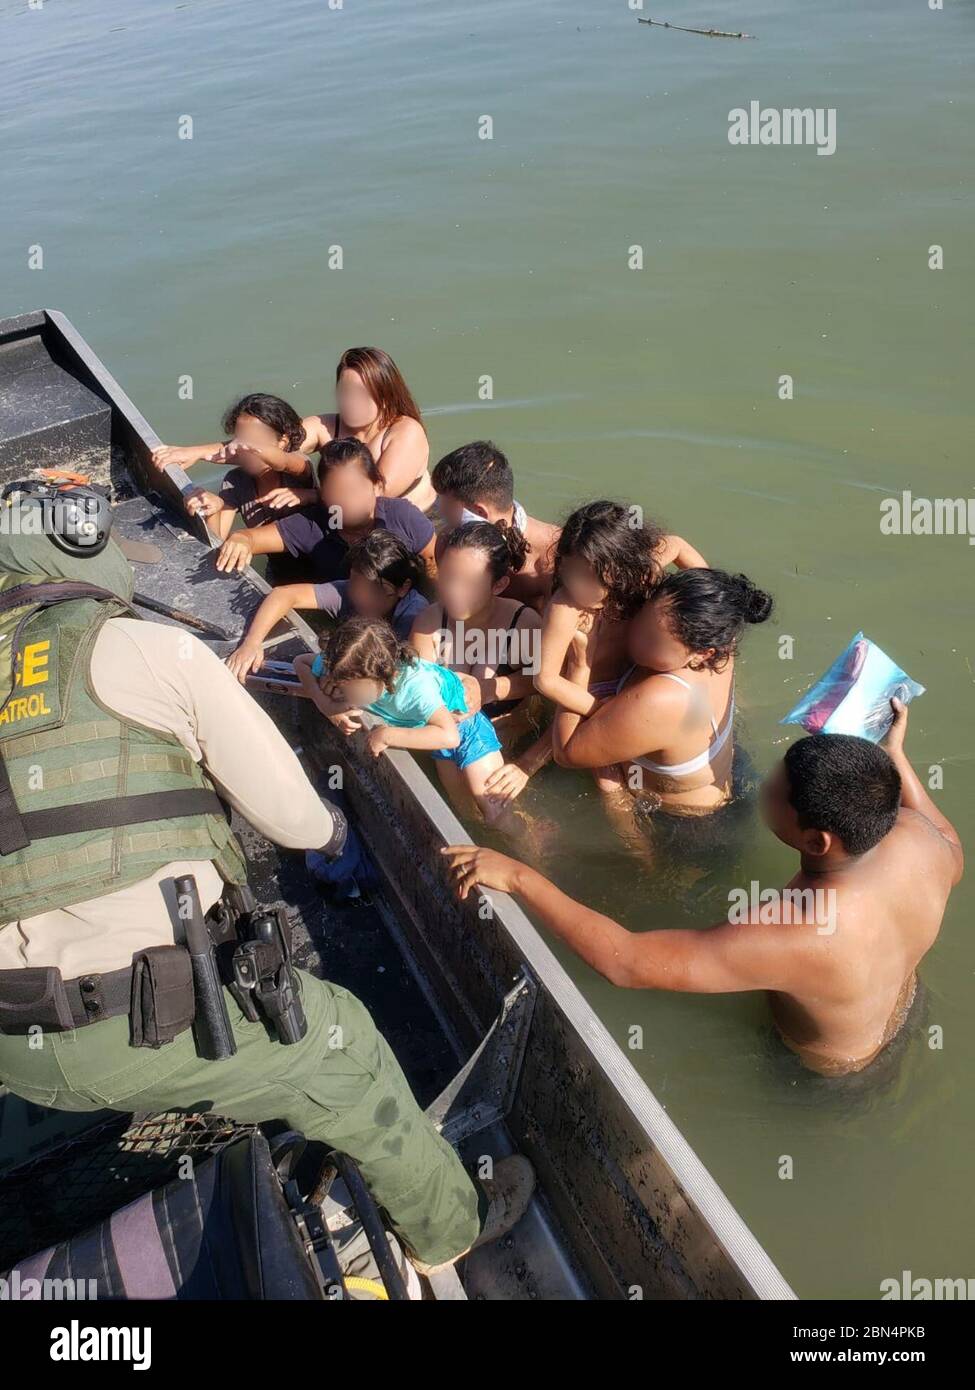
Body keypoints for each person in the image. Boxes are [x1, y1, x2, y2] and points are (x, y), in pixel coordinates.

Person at [0, 490, 531, 1277]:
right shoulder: (153, 650)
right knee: (342, 1046)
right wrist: (336, 833)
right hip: (130, 1014)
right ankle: (451, 1225)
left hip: (16, 1053)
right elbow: (293, 820)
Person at [442, 700, 964, 1077]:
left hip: (823, 1066)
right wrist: (894, 753)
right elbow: (945, 836)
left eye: (775, 792)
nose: (763, 790)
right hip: (902, 1011)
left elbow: (625, 962)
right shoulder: (925, 841)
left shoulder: (795, 930)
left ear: (816, 840)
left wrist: (516, 875)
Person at [552, 568, 773, 817]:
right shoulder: (724, 639)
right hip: (726, 770)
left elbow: (566, 753)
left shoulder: (664, 698)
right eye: (642, 621)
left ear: (702, 653)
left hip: (682, 823)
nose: (634, 639)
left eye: (652, 640)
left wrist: (579, 665)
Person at [535, 502, 706, 791]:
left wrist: (703, 604)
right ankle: (630, 835)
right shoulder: (566, 607)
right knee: (610, 786)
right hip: (589, 692)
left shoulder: (640, 577)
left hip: (635, 677)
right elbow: (545, 679)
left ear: (621, 566)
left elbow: (676, 545)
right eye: (570, 571)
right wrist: (599, 710)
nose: (577, 585)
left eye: (589, 575)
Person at [295, 617, 518, 830]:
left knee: (494, 812)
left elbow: (451, 736)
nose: (349, 699)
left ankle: (531, 838)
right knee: (464, 810)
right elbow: (300, 661)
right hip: (433, 734)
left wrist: (388, 735)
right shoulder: (345, 666)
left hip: (466, 728)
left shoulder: (413, 688)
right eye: (343, 689)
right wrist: (324, 703)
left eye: (355, 692)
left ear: (383, 675)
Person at [409, 523, 548, 800]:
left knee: (500, 812)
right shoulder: (430, 622)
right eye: (448, 577)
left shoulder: (523, 624)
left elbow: (544, 684)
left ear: (499, 584)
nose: (454, 592)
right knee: (463, 808)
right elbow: (418, 691)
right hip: (446, 733)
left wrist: (487, 689)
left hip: (511, 735)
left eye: (469, 583)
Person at [214, 438, 437, 582]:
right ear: (323, 494)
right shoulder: (313, 524)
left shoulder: (403, 515)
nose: (347, 501)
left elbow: (433, 560)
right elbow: (253, 538)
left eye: (355, 489)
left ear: (377, 486)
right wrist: (241, 538)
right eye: (337, 492)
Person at [225, 530, 428, 684]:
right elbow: (284, 594)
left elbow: (409, 676)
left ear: (404, 588)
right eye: (357, 584)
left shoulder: (416, 616)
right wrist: (252, 642)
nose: (362, 598)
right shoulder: (347, 592)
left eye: (375, 590)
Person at [151, 391, 316, 533]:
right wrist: (213, 510)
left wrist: (249, 445)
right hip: (277, 567)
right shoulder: (236, 481)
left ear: (283, 441)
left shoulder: (299, 464)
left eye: (256, 440)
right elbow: (217, 539)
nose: (245, 450)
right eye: (240, 440)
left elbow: (283, 462)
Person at [431, 442, 560, 610]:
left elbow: (563, 631)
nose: (439, 510)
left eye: (446, 505)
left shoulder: (552, 554)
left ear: (479, 512)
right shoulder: (447, 543)